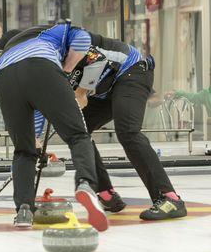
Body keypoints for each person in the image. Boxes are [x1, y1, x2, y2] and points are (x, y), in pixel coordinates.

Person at [0, 23, 108, 231]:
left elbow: (34, 112)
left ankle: (24, 209)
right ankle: (85, 183)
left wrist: (35, 140)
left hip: (4, 77)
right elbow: (83, 38)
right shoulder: (53, 30)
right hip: (42, 67)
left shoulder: (7, 54)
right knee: (78, 135)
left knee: (24, 150)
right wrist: (66, 71)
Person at [68, 33, 187, 220]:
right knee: (77, 130)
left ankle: (169, 198)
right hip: (106, 87)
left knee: (128, 131)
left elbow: (98, 58)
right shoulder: (38, 64)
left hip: (130, 70)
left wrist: (81, 92)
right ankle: (107, 194)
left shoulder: (58, 42)